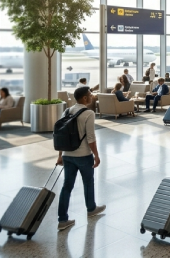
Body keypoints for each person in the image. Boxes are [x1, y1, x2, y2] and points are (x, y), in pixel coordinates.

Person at [56, 87, 105, 231]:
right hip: (83, 155)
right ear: (84, 98)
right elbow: (91, 138)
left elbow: (61, 135)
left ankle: (62, 220)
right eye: (90, 95)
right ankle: (91, 209)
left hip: (68, 155)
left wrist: (60, 156)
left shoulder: (67, 111)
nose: (92, 96)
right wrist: (96, 155)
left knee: (67, 186)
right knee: (88, 182)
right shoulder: (88, 113)